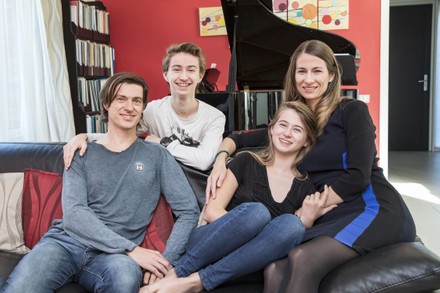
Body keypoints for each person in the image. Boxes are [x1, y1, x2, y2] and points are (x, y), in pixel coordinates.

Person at [206, 40, 416, 293]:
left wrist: (308, 208)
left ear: (331, 76)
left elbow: (359, 177)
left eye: (317, 71)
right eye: (301, 71)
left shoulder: (352, 111)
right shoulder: (295, 125)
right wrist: (220, 160)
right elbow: (237, 138)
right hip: (327, 212)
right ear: (292, 76)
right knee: (274, 266)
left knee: (302, 259)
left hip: (371, 206)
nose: (308, 79)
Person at [0, 72, 199, 293]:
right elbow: (75, 214)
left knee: (124, 280)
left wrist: (165, 262)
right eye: (121, 99)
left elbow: (189, 211)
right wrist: (131, 249)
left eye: (136, 101)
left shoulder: (157, 155)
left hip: (115, 258)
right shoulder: (80, 152)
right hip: (65, 245)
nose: (129, 107)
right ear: (106, 103)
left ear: (143, 108)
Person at [138, 101, 337, 293]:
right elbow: (211, 211)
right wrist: (251, 229)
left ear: (307, 141)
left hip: (245, 263)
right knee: (257, 213)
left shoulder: (306, 186)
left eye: (297, 129)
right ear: (271, 129)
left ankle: (197, 281)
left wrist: (306, 221)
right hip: (209, 244)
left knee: (293, 225)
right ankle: (179, 272)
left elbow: (282, 237)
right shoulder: (245, 160)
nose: (287, 133)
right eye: (282, 125)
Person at [63, 42, 226, 172]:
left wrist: (162, 142)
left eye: (191, 70)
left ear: (200, 76)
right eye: (176, 69)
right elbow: (119, 138)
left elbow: (204, 161)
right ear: (165, 75)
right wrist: (84, 136)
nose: (183, 77)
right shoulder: (151, 111)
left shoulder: (215, 117)